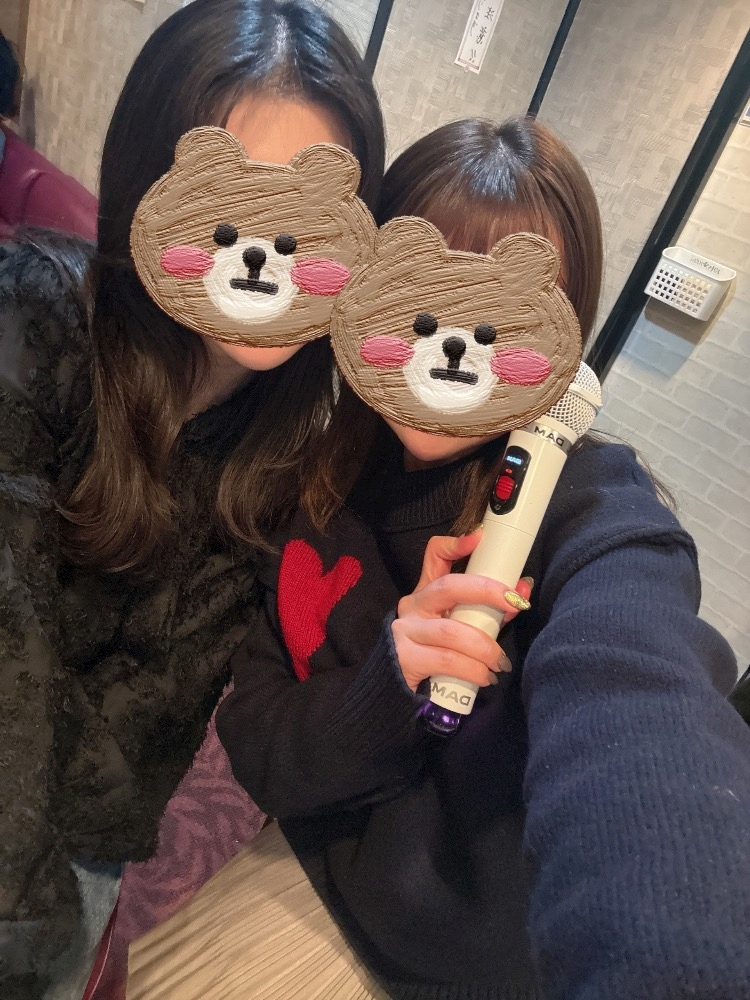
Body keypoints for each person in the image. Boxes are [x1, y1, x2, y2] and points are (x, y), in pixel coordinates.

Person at [216, 117, 750, 999]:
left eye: (499, 316)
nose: (455, 340)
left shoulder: (587, 509)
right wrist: (386, 684)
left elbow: (636, 695)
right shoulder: (314, 479)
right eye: (424, 298)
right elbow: (257, 741)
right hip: (301, 885)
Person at [0, 1, 384, 996]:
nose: (263, 251)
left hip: (93, 861)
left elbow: (227, 724)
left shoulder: (292, 450)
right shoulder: (33, 320)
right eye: (227, 204)